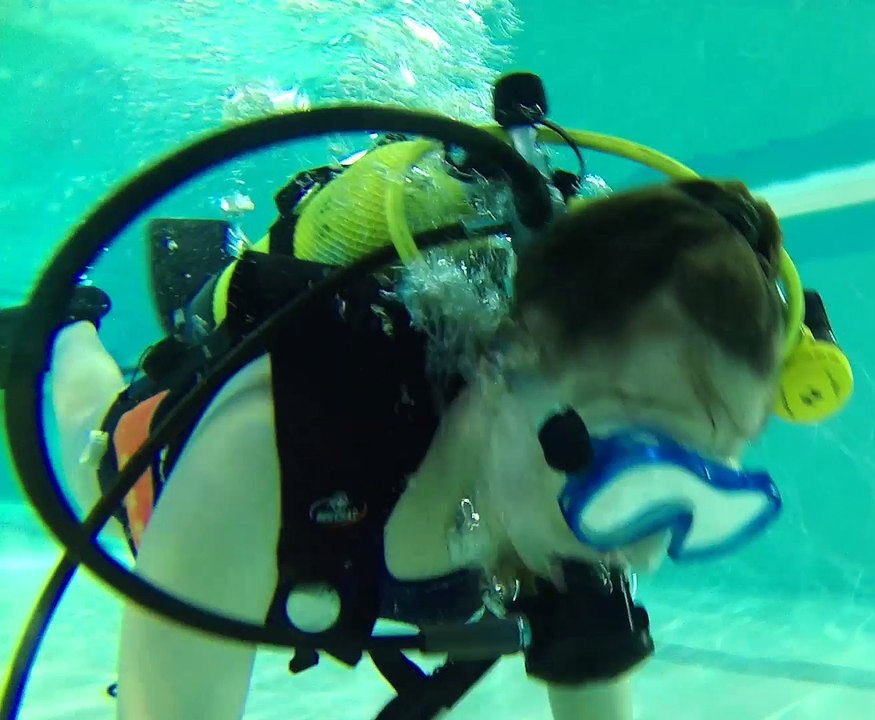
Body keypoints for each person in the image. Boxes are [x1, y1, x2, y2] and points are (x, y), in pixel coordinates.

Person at [33, 138, 797, 720]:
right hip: (214, 467)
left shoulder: (578, 512)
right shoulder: (267, 448)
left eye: (702, 492)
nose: (648, 551)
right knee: (94, 449)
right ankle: (69, 323)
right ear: (508, 368)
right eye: (632, 471)